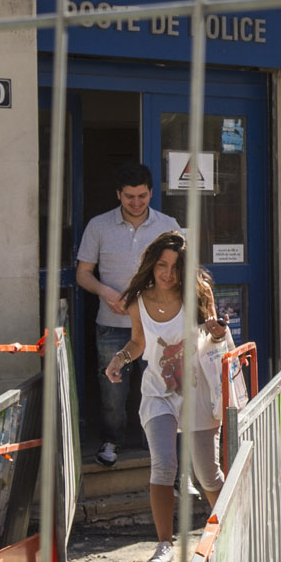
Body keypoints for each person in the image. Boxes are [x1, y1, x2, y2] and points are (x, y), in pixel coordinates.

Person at [101, 231, 229, 562]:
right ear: (152, 264)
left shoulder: (198, 294)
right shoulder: (138, 300)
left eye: (175, 267)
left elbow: (216, 336)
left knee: (208, 475)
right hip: (158, 392)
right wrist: (119, 359)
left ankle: (229, 533)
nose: (168, 273)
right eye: (162, 265)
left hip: (197, 392)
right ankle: (163, 545)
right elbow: (138, 343)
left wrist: (218, 332)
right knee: (164, 465)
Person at [77, 163, 182, 467]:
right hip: (113, 326)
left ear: (151, 193)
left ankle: (163, 450)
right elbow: (83, 274)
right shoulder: (99, 225)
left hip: (160, 326)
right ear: (118, 195)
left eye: (142, 196)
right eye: (129, 197)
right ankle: (112, 442)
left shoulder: (168, 225)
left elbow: (181, 271)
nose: (136, 203)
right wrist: (107, 293)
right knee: (113, 392)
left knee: (164, 388)